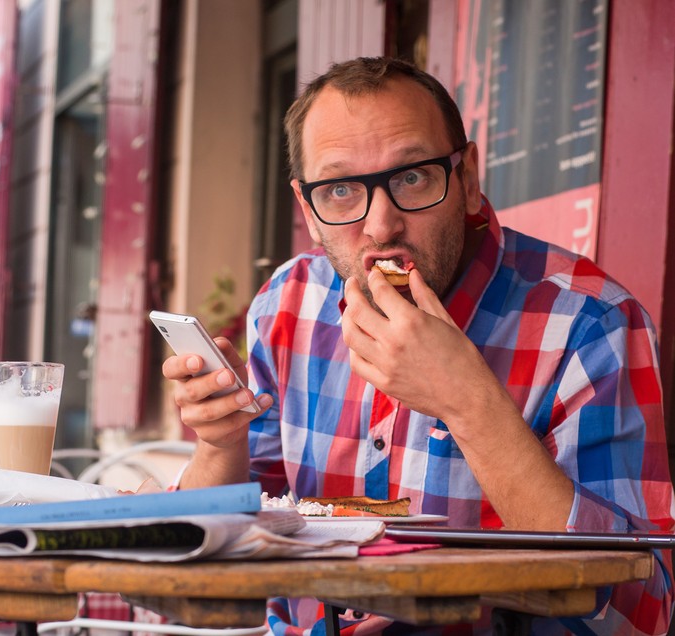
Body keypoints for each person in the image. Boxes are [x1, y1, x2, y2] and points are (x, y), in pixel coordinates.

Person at [162, 57, 675, 634]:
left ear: (468, 180)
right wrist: (218, 443)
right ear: (308, 210)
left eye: (412, 178)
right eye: (338, 190)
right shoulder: (286, 304)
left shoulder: (591, 322)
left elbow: (639, 605)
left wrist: (466, 401)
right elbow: (226, 540)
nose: (381, 226)